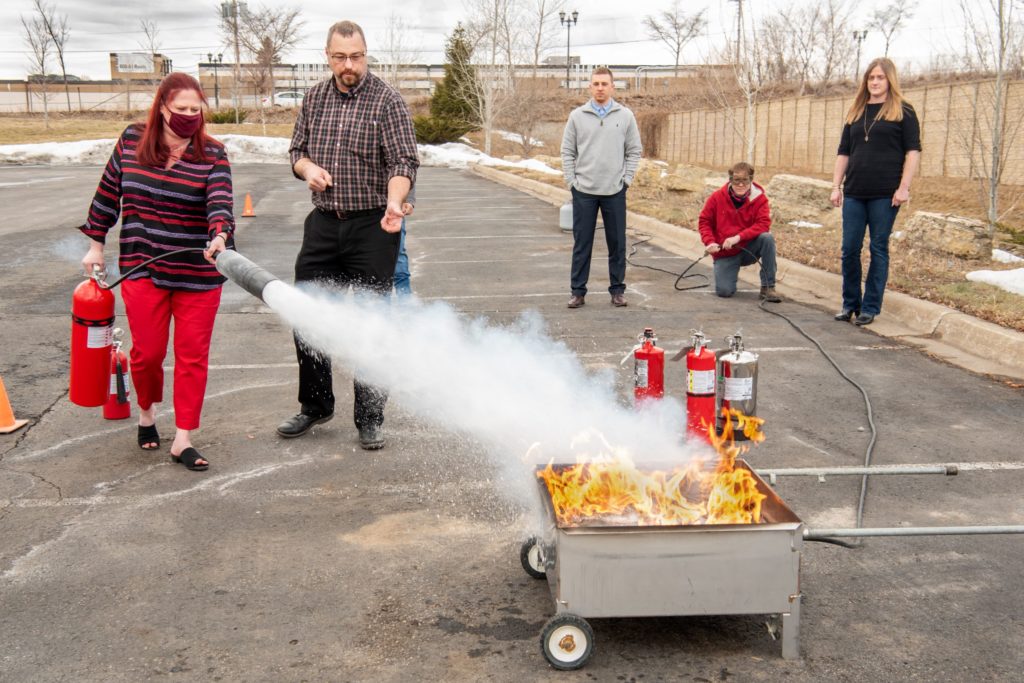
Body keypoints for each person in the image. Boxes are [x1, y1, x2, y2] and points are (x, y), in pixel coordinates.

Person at [79, 72, 234, 472]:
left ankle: (183, 438)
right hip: (143, 263)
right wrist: (96, 244)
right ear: (162, 107)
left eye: (194, 110)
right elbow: (108, 192)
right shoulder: (132, 141)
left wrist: (220, 235)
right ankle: (147, 415)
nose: (188, 116)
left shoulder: (213, 154)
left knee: (192, 356)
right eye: (180, 109)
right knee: (147, 354)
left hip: (198, 273)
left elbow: (220, 201)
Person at [277, 20, 419, 449]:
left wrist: (396, 201)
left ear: (365, 54)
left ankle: (370, 417)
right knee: (308, 316)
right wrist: (308, 170)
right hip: (323, 223)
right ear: (328, 56)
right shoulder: (315, 98)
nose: (349, 65)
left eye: (356, 56)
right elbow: (296, 152)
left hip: (372, 226)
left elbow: (404, 163)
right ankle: (316, 406)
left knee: (371, 325)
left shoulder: (387, 101)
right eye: (340, 57)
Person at [830, 57, 921, 326]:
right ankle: (850, 304)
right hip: (855, 191)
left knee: (878, 248)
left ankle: (870, 307)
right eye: (871, 78)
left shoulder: (904, 110)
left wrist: (904, 188)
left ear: (889, 79)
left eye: (880, 77)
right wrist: (836, 186)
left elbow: (912, 152)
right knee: (849, 249)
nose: (875, 82)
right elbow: (843, 152)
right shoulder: (856, 111)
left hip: (886, 193)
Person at [561, 66, 642, 309]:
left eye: (604, 84)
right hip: (584, 191)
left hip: (614, 191)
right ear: (589, 86)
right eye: (595, 84)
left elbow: (634, 151)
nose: (599, 88)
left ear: (612, 87)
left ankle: (617, 290)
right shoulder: (577, 116)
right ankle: (578, 292)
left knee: (617, 244)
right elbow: (567, 151)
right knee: (582, 244)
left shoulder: (625, 116)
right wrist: (572, 183)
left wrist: (625, 181)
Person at [698, 162, 781, 302]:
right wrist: (710, 241)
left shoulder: (759, 199)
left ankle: (768, 287)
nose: (741, 185)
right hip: (725, 252)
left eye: (745, 180)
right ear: (730, 180)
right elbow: (704, 221)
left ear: (751, 180)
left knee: (767, 238)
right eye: (737, 180)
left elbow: (763, 224)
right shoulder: (717, 197)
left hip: (748, 248)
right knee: (724, 291)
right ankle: (728, 274)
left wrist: (738, 237)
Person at [393, 187, 416, 297]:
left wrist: (409, 201)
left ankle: (405, 303)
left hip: (394, 210)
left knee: (398, 255)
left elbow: (406, 171)